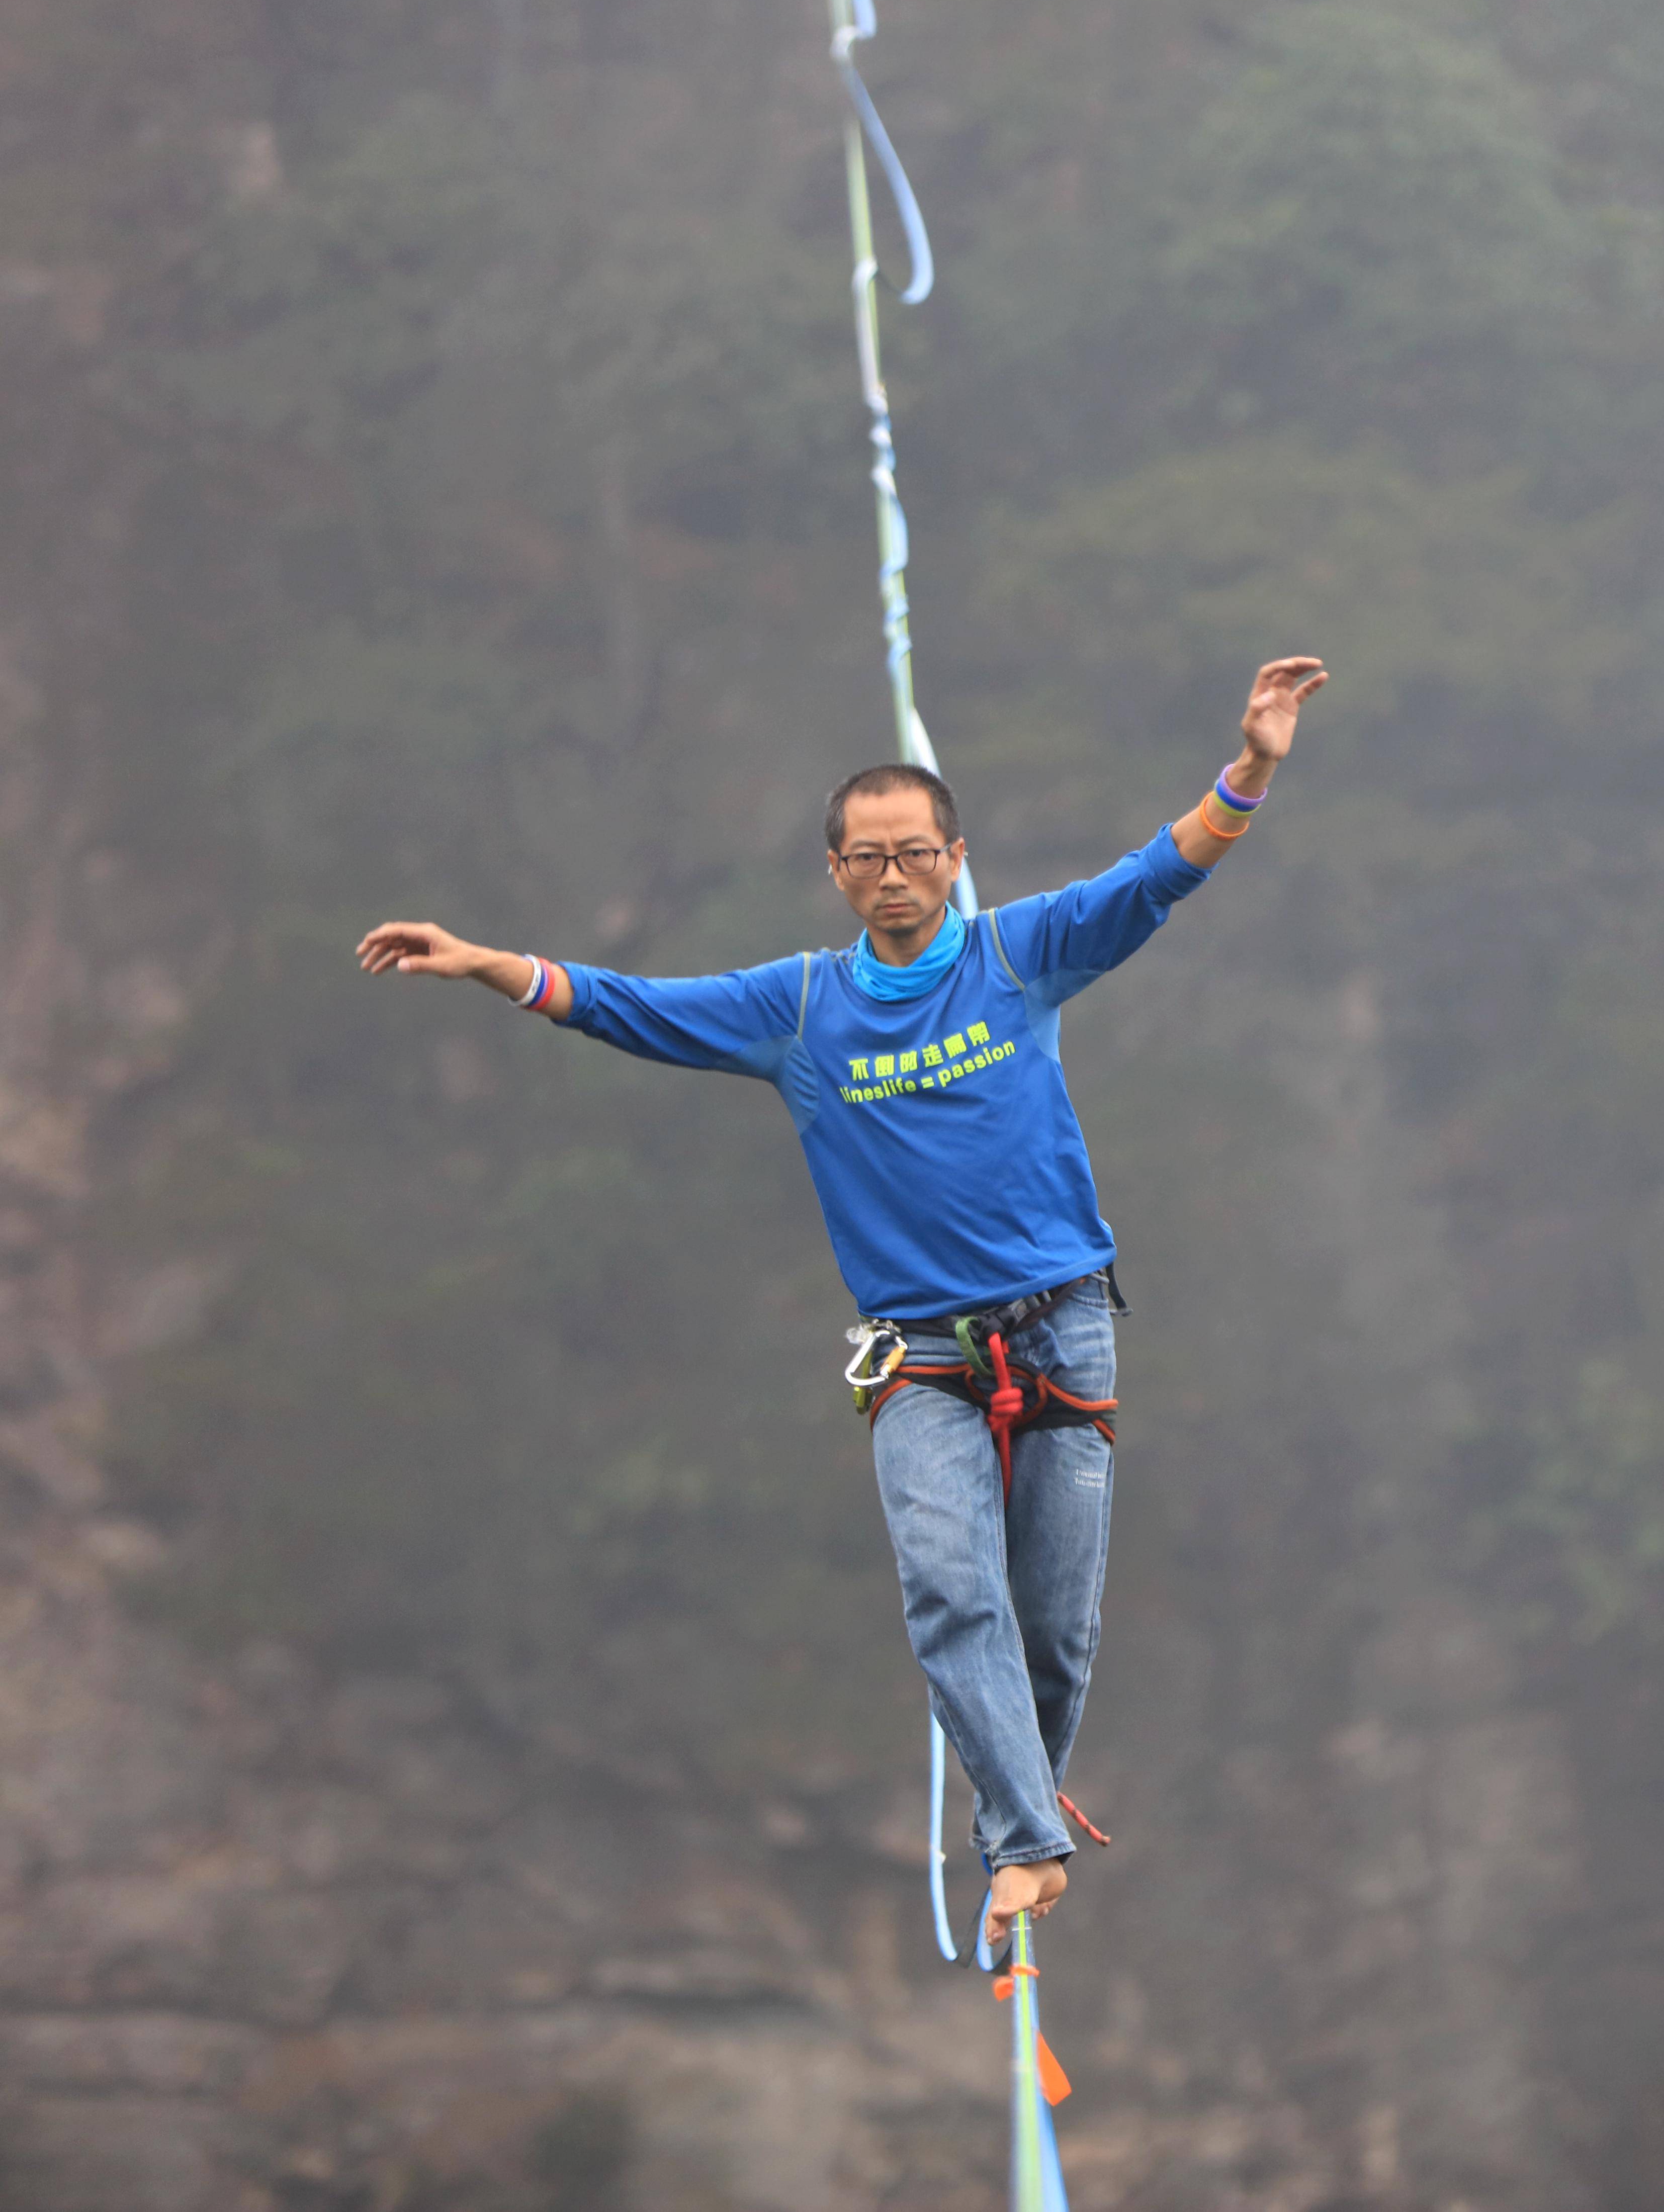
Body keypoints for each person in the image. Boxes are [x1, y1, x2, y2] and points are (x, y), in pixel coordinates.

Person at [358, 655, 1329, 1947]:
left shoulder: (1017, 954)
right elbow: (631, 1010)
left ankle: (1017, 1818)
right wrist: (483, 961)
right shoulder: (797, 1008)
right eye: (867, 857)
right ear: (836, 873)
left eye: (914, 853)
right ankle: (1027, 1844)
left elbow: (1157, 876)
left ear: (953, 858)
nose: (892, 875)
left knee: (1056, 1626)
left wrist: (1252, 765)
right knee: (948, 1590)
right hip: (919, 1351)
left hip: (1064, 1321)